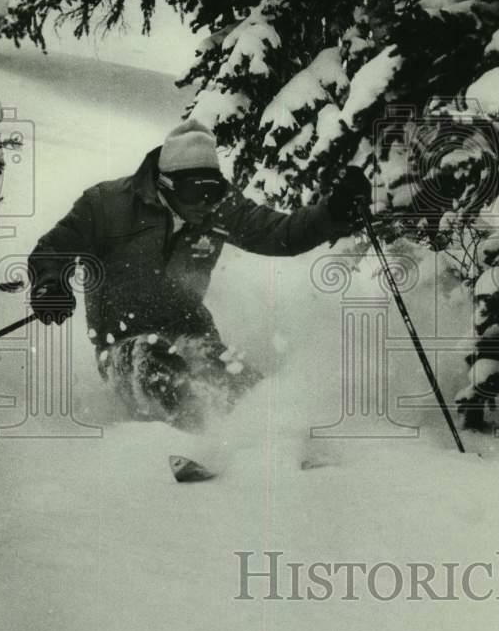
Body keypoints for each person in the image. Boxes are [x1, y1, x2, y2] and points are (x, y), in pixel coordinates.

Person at [27, 120, 371, 428]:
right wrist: (49, 284)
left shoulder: (220, 209)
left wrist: (333, 212)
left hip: (191, 332)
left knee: (235, 377)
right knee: (155, 360)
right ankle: (197, 438)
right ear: (165, 183)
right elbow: (53, 250)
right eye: (195, 191)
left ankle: (276, 434)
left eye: (214, 190)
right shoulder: (107, 204)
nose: (206, 202)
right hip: (122, 345)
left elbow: (280, 234)